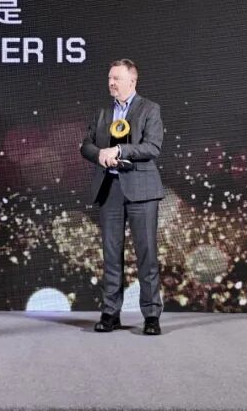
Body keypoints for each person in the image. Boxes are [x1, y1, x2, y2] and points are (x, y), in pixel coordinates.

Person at [79, 59, 165, 335]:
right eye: (110, 78)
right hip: (110, 189)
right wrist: (100, 155)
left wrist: (119, 151)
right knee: (111, 254)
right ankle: (110, 313)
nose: (111, 83)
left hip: (142, 190)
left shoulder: (149, 109)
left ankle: (151, 315)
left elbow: (152, 147)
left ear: (132, 81)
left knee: (147, 254)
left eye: (116, 78)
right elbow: (86, 145)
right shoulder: (102, 113)